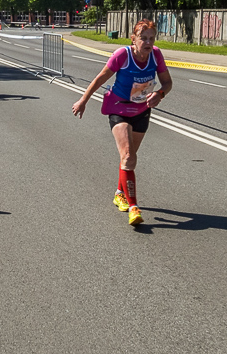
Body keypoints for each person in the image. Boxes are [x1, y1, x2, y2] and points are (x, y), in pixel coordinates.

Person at [71, 20, 173, 226]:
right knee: (128, 155)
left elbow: (168, 82)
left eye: (151, 38)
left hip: (142, 110)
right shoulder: (123, 55)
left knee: (129, 158)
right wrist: (83, 100)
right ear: (133, 39)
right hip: (118, 108)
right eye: (143, 38)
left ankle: (119, 192)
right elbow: (100, 78)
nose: (148, 42)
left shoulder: (156, 55)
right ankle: (134, 207)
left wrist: (160, 94)